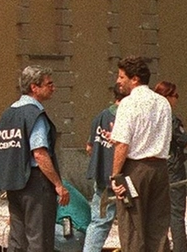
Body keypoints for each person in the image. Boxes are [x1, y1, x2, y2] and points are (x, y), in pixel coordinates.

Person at [0, 65, 69, 252]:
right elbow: (39, 153)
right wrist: (58, 184)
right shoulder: (35, 115)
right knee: (39, 240)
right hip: (35, 185)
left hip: (13, 183)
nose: (53, 87)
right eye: (49, 84)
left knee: (17, 240)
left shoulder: (7, 114)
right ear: (34, 87)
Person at [109, 56, 172, 252]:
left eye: (121, 77)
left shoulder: (128, 103)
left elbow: (122, 144)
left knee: (133, 227)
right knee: (158, 227)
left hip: (135, 170)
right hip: (160, 168)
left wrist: (115, 177)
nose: (118, 81)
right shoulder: (163, 103)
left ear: (134, 79)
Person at [154, 81, 187, 252]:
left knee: (158, 213)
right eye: (175, 96)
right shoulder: (170, 118)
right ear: (166, 97)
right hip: (173, 168)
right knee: (176, 214)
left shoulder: (152, 116)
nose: (177, 100)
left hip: (155, 167)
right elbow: (184, 141)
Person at [82, 85, 126, 252]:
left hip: (102, 177)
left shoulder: (100, 117)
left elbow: (89, 148)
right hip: (123, 179)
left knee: (99, 222)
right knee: (131, 225)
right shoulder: (126, 117)